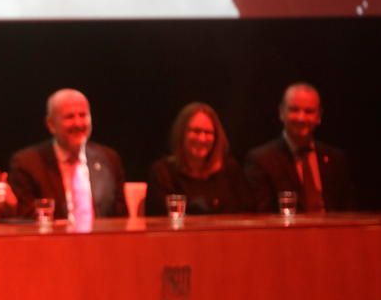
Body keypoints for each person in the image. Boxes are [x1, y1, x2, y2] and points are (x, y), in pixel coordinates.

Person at [9, 88, 126, 221]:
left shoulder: (109, 159)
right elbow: (24, 220)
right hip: (51, 240)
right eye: (69, 117)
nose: (78, 123)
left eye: (83, 115)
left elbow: (121, 218)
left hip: (103, 240)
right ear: (51, 124)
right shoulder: (27, 164)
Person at [244, 83, 356, 212]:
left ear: (318, 117)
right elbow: (262, 217)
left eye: (309, 111)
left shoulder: (335, 159)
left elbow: (348, 212)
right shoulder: (261, 160)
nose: (301, 118)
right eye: (294, 110)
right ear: (281, 112)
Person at [145, 102, 255, 216]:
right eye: (196, 131)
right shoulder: (162, 172)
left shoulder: (230, 169)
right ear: (182, 133)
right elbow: (158, 220)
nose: (202, 139)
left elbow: (248, 213)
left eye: (208, 132)